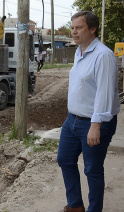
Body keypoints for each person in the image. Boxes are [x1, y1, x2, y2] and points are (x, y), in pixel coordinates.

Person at [57, 11, 120, 212]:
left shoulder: (103, 55)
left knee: (92, 169)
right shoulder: (79, 52)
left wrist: (96, 125)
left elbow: (105, 94)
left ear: (92, 29)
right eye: (72, 27)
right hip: (72, 120)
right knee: (64, 159)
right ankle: (75, 205)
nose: (73, 32)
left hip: (94, 122)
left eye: (79, 27)